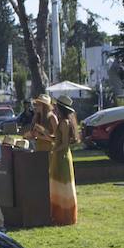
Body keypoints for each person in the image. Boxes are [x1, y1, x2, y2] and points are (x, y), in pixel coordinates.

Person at [50, 96, 81, 225]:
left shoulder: (64, 123)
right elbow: (58, 140)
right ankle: (58, 215)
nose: (54, 108)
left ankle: (65, 216)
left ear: (61, 108)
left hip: (62, 156)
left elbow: (65, 144)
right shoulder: (63, 121)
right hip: (59, 155)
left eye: (56, 106)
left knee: (63, 187)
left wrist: (54, 151)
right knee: (58, 186)